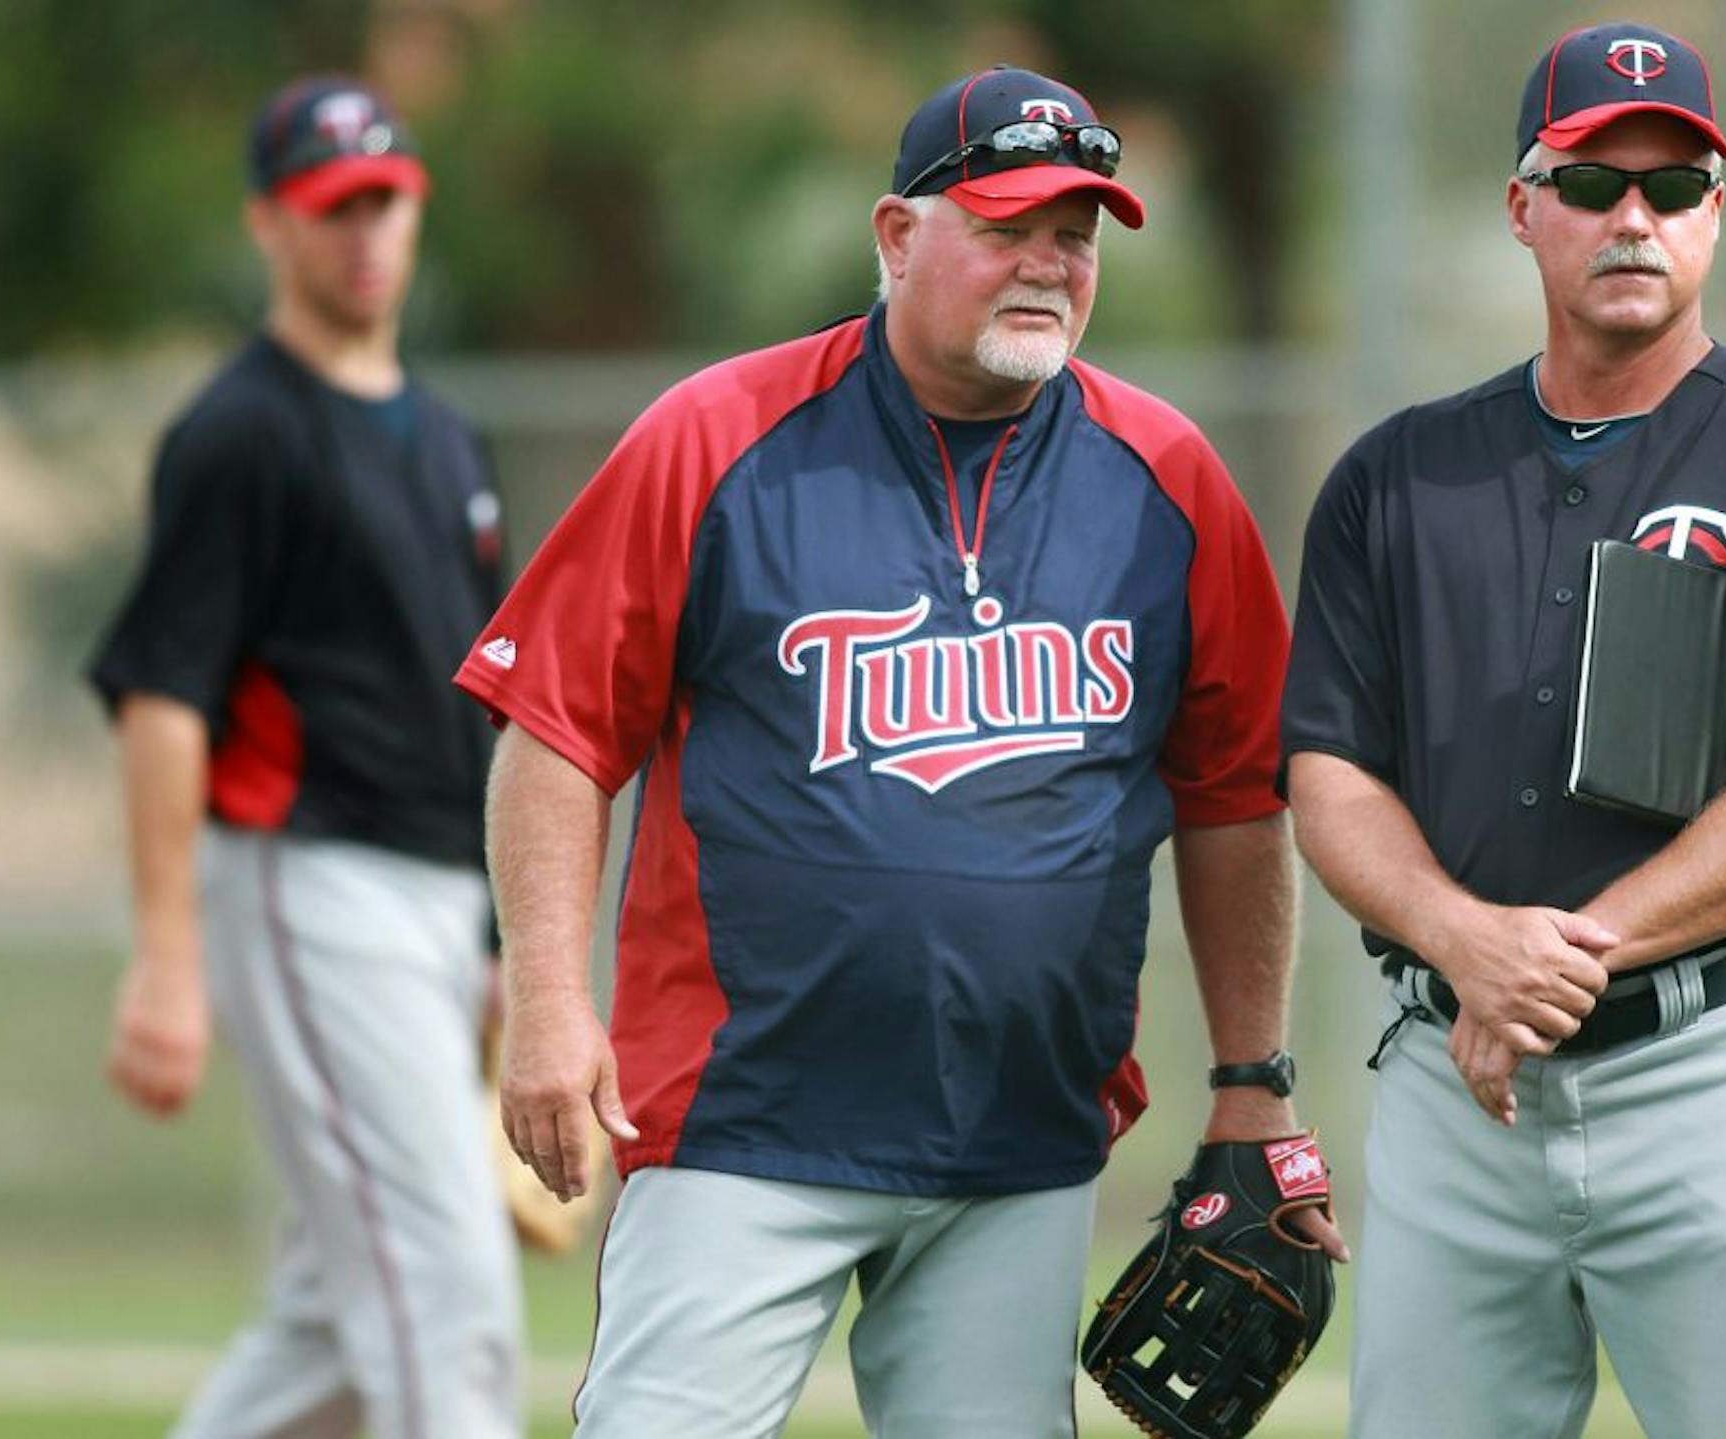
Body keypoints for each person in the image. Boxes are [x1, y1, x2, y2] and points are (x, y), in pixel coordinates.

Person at [458, 62, 1345, 1438]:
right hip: (744, 1127)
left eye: (1077, 234)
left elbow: (1235, 801)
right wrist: (549, 1003)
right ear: (895, 237)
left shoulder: (1166, 481)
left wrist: (1252, 1084)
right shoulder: (719, 440)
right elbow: (555, 732)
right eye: (1007, 227)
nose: (1048, 264)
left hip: (1019, 1144)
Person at [1282, 22, 1726, 1439]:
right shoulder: (1398, 477)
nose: (1634, 218)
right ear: (1523, 209)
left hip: (1712, 1070)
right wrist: (1468, 947)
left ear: (1717, 210)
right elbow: (1329, 775)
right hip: (1455, 1079)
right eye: (1593, 185)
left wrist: (1542, 965)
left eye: (1674, 185)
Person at [89, 76, 523, 1439]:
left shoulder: (447, 435)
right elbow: (164, 695)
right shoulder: (242, 432)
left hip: (440, 903)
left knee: (344, 1321)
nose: (366, 234)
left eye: (385, 200)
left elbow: (473, 706)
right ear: (270, 225)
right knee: (448, 1299)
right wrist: (166, 957)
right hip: (311, 886)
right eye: (333, 208)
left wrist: (510, 940)